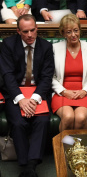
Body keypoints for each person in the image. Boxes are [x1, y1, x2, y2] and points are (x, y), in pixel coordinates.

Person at [0, 14, 54, 177]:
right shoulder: (8, 45)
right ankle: (27, 166)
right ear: (18, 31)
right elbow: (7, 75)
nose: (30, 35)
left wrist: (35, 98)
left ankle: (30, 166)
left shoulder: (46, 46)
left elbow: (47, 76)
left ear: (37, 28)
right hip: (15, 93)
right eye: (25, 32)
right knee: (18, 123)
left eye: (32, 30)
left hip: (38, 93)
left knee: (42, 120)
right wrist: (20, 99)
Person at [51, 14, 87, 132]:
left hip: (84, 93)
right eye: (69, 32)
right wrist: (64, 91)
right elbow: (50, 76)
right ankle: (66, 149)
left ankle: (80, 150)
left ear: (80, 30)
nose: (73, 35)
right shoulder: (54, 48)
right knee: (68, 117)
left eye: (76, 30)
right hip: (62, 93)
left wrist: (85, 91)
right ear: (63, 33)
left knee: (81, 118)